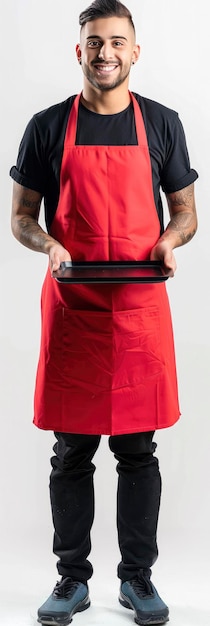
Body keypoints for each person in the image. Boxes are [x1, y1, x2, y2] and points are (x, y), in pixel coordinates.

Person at [10, 1, 198, 624]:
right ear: (79, 51)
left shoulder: (164, 124)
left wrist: (170, 243)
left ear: (135, 52)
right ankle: (72, 581)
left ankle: (137, 580)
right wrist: (50, 244)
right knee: (72, 452)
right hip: (74, 306)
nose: (106, 52)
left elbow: (186, 213)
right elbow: (20, 218)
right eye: (94, 42)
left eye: (118, 41)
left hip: (140, 307)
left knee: (138, 449)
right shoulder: (45, 126)